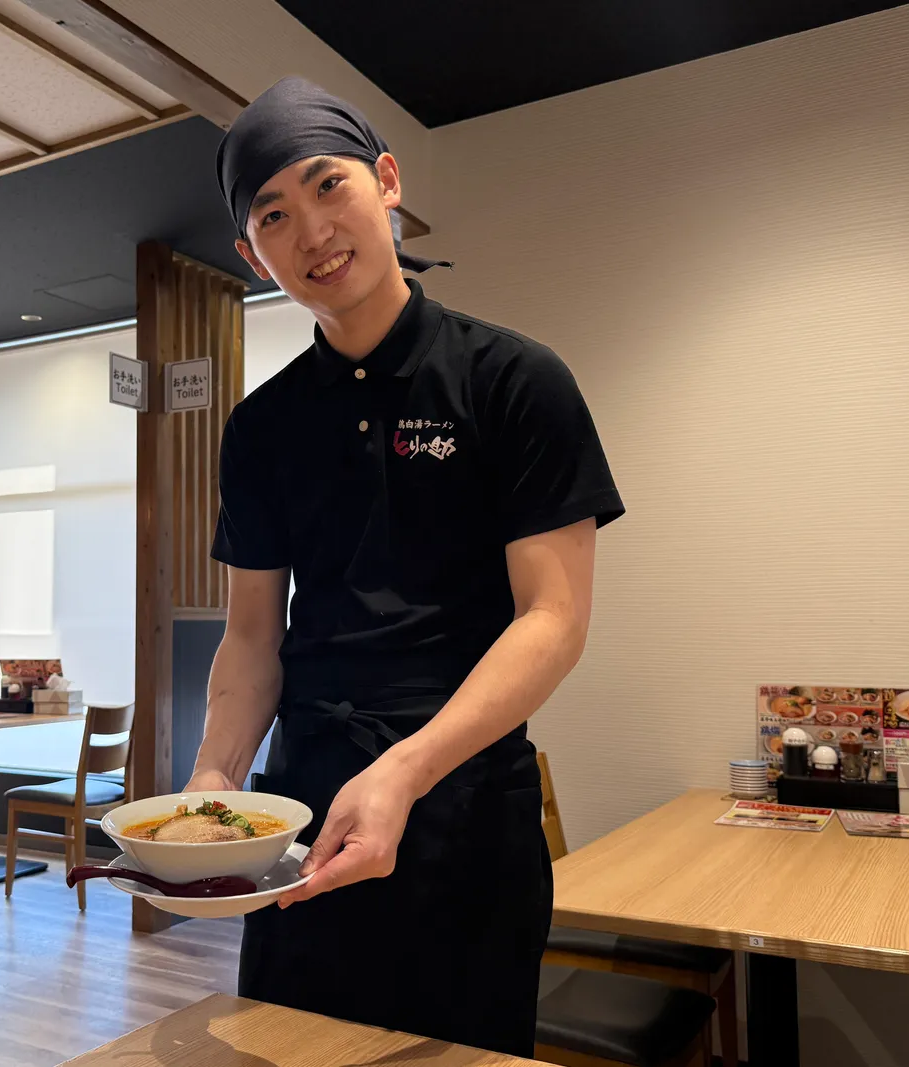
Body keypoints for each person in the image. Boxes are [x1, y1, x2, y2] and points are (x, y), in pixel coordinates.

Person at [184, 77, 625, 1056]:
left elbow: (552, 619)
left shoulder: (513, 379)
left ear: (386, 183)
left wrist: (406, 768)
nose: (312, 232)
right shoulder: (260, 428)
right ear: (252, 256)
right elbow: (254, 638)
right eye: (274, 216)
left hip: (463, 805)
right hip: (300, 816)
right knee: (289, 1047)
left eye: (327, 185)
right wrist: (213, 788)